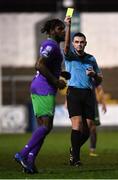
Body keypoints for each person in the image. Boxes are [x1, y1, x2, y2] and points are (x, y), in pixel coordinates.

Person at [14, 19, 67, 174]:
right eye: (60, 29)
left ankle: (29, 163)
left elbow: (47, 65)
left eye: (63, 28)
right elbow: (39, 64)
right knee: (46, 126)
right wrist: (56, 81)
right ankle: (23, 154)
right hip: (44, 88)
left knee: (43, 128)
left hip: (39, 86)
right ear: (51, 30)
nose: (63, 31)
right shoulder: (51, 45)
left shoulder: (51, 45)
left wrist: (61, 73)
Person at [64, 16, 103, 166]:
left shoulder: (91, 59)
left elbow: (100, 79)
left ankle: (73, 150)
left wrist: (94, 75)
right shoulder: (69, 56)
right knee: (77, 124)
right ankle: (76, 159)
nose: (79, 44)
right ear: (73, 44)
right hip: (73, 92)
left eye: (81, 42)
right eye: (77, 42)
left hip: (88, 93)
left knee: (88, 129)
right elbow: (65, 47)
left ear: (85, 43)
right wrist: (68, 27)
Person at [89, 85, 107, 157]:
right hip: (83, 103)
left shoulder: (94, 76)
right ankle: (75, 149)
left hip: (93, 105)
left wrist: (103, 103)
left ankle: (92, 150)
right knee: (81, 127)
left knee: (93, 128)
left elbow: (100, 89)